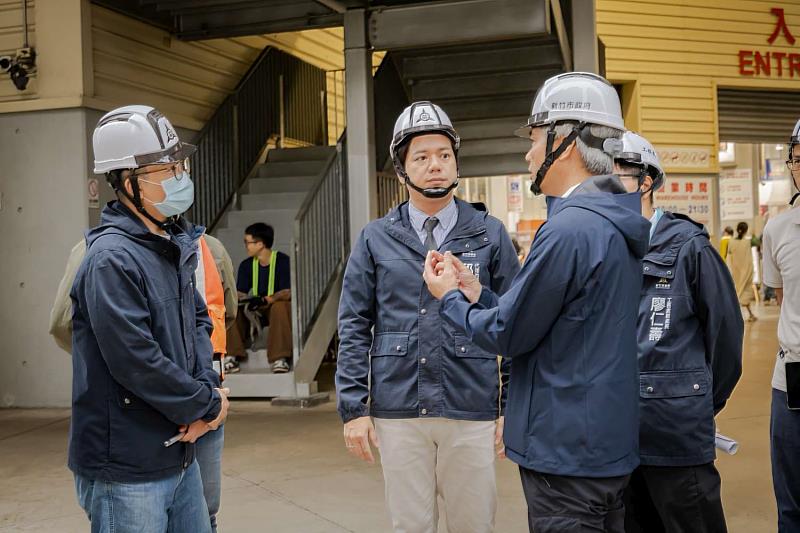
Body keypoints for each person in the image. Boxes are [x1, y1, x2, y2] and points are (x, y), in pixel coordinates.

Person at [423, 72, 650, 532]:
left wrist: (449, 299)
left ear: (565, 142)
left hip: (565, 451)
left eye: (535, 139)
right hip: (602, 444)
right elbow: (559, 318)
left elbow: (509, 333)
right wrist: (478, 293)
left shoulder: (569, 230)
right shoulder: (610, 223)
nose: (528, 153)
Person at [336, 101, 520, 532]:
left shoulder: (489, 234)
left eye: (444, 155)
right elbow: (354, 325)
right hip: (398, 410)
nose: (435, 165)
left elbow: (514, 321)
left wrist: (512, 406)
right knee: (410, 526)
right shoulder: (376, 238)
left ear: (456, 163)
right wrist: (353, 408)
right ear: (402, 170)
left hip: (471, 405)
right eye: (421, 157)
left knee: (475, 524)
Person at [70, 105, 229, 533]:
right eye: (163, 169)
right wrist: (207, 404)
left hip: (180, 449)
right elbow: (135, 360)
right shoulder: (110, 260)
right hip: (127, 464)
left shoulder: (170, 244)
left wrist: (205, 393)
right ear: (125, 182)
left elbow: (198, 322)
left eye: (179, 165)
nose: (179, 177)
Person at [49, 232, 236, 533]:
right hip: (187, 408)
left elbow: (62, 324)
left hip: (196, 407)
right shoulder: (109, 255)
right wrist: (206, 397)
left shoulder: (90, 250)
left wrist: (204, 402)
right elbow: (217, 320)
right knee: (203, 510)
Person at [614, 131, 743, 533]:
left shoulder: (689, 248)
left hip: (677, 436)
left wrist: (695, 401)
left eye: (617, 178)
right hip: (617, 437)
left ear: (646, 181)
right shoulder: (602, 248)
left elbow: (726, 337)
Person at [762, 118, 800, 532]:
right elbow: (783, 299)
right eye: (797, 159)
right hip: (791, 380)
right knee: (791, 503)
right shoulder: (778, 229)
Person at [228, 222, 293, 374]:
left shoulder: (283, 261)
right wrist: (242, 298)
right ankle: (231, 356)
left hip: (274, 306)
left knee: (280, 307)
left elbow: (287, 292)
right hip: (255, 307)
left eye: (248, 242)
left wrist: (268, 299)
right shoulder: (246, 265)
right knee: (232, 308)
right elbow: (240, 291)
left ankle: (280, 358)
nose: (246, 246)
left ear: (260, 244)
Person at [727, 222, 757, 322]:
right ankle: (749, 314)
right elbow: (757, 242)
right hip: (746, 272)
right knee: (744, 294)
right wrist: (753, 234)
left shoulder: (731, 242)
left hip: (736, 272)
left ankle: (748, 314)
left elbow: (729, 254)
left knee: (737, 292)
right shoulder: (749, 242)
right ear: (746, 230)